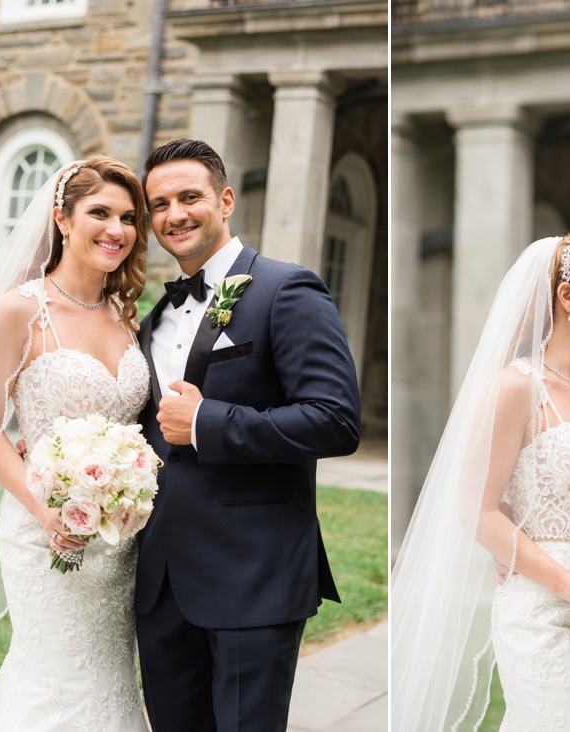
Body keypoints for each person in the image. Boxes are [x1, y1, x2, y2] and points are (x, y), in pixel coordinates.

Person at [0, 156, 152, 730]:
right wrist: (47, 513)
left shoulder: (125, 315)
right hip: (45, 537)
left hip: (121, 540)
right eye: (100, 213)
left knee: (111, 679)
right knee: (55, 680)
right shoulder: (18, 311)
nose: (117, 229)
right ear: (62, 219)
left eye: (128, 217)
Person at [133, 138, 361, 731]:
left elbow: (336, 419)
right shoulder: (151, 321)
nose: (174, 215)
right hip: (161, 581)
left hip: (253, 575)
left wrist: (208, 423)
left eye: (189, 197)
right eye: (159, 204)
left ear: (225, 199)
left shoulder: (288, 289)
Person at [392, 235, 570, 731]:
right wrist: (568, 582)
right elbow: (475, 509)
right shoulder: (515, 387)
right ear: (569, 297)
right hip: (544, 610)